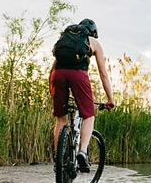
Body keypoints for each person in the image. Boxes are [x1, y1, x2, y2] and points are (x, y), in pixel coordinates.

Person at [49, 18, 115, 172]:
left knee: (61, 118)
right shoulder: (93, 42)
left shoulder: (66, 40)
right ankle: (82, 152)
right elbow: (103, 74)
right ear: (93, 33)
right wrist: (110, 99)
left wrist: (52, 89)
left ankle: (59, 161)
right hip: (78, 75)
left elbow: (52, 70)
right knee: (88, 116)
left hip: (57, 75)